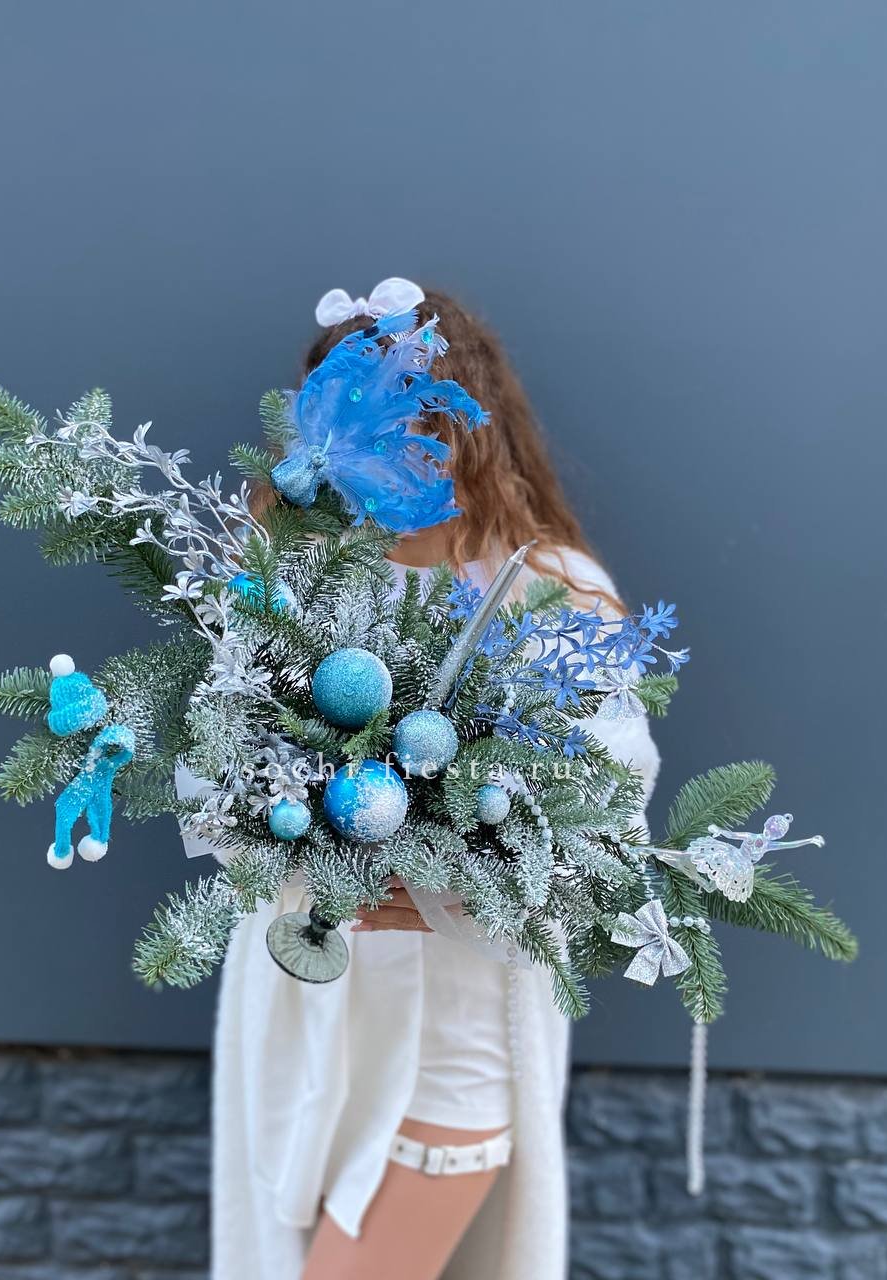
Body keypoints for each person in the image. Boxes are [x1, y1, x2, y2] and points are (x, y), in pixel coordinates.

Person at [192, 285, 661, 1280]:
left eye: (422, 414)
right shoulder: (287, 574)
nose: (399, 443)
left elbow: (605, 811)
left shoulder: (550, 590)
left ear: (470, 422)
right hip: (306, 1009)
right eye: (363, 413)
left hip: (457, 1021)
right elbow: (214, 767)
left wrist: (453, 879)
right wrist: (291, 829)